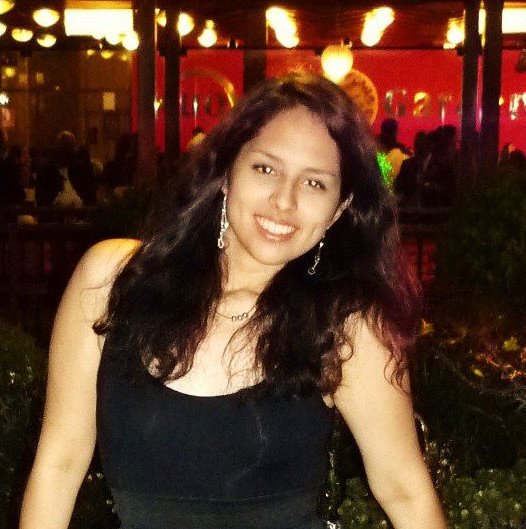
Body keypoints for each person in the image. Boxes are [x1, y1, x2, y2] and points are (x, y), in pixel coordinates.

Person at [20, 73, 446, 529]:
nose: (284, 201)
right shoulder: (112, 280)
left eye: (314, 183)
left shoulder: (348, 324)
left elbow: (404, 490)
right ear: (226, 172)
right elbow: (59, 464)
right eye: (266, 169)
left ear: (340, 208)